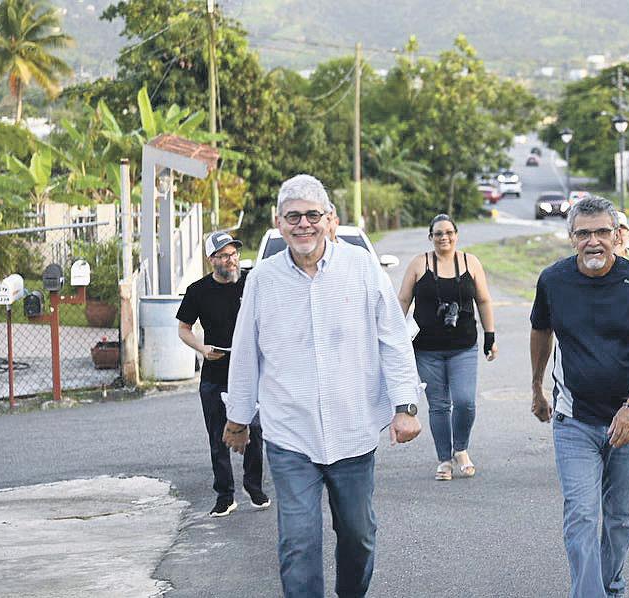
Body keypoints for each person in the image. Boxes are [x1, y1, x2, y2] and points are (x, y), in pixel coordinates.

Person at [223, 174, 422, 598]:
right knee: (298, 541)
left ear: (329, 218)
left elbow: (393, 337)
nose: (303, 225)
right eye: (293, 216)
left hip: (353, 431)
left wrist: (405, 406)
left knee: (359, 536)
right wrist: (238, 419)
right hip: (290, 436)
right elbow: (245, 354)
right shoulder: (262, 279)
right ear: (278, 222)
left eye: (312, 215)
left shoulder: (361, 267)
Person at [530, 196, 629, 598]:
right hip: (574, 420)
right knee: (582, 515)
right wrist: (537, 387)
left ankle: (610, 584)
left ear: (617, 235)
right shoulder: (553, 280)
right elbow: (541, 332)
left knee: (620, 518)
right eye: (584, 233)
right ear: (572, 237)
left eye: (603, 232)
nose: (594, 241)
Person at [176, 231, 270, 517]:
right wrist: (202, 349)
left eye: (234, 254)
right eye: (224, 255)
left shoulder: (251, 283)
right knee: (218, 435)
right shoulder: (198, 291)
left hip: (249, 370)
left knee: (254, 430)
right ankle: (225, 495)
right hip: (215, 370)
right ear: (211, 260)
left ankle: (253, 486)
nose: (231, 260)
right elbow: (183, 329)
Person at [397, 213, 497, 481]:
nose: (444, 237)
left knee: (465, 402)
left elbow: (484, 300)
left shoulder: (470, 262)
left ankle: (460, 448)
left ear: (456, 235)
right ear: (431, 237)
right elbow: (403, 299)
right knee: (439, 406)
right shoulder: (419, 263)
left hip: (463, 346)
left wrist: (490, 336)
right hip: (426, 349)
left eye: (449, 232)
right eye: (438, 233)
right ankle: (444, 460)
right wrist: (395, 336)